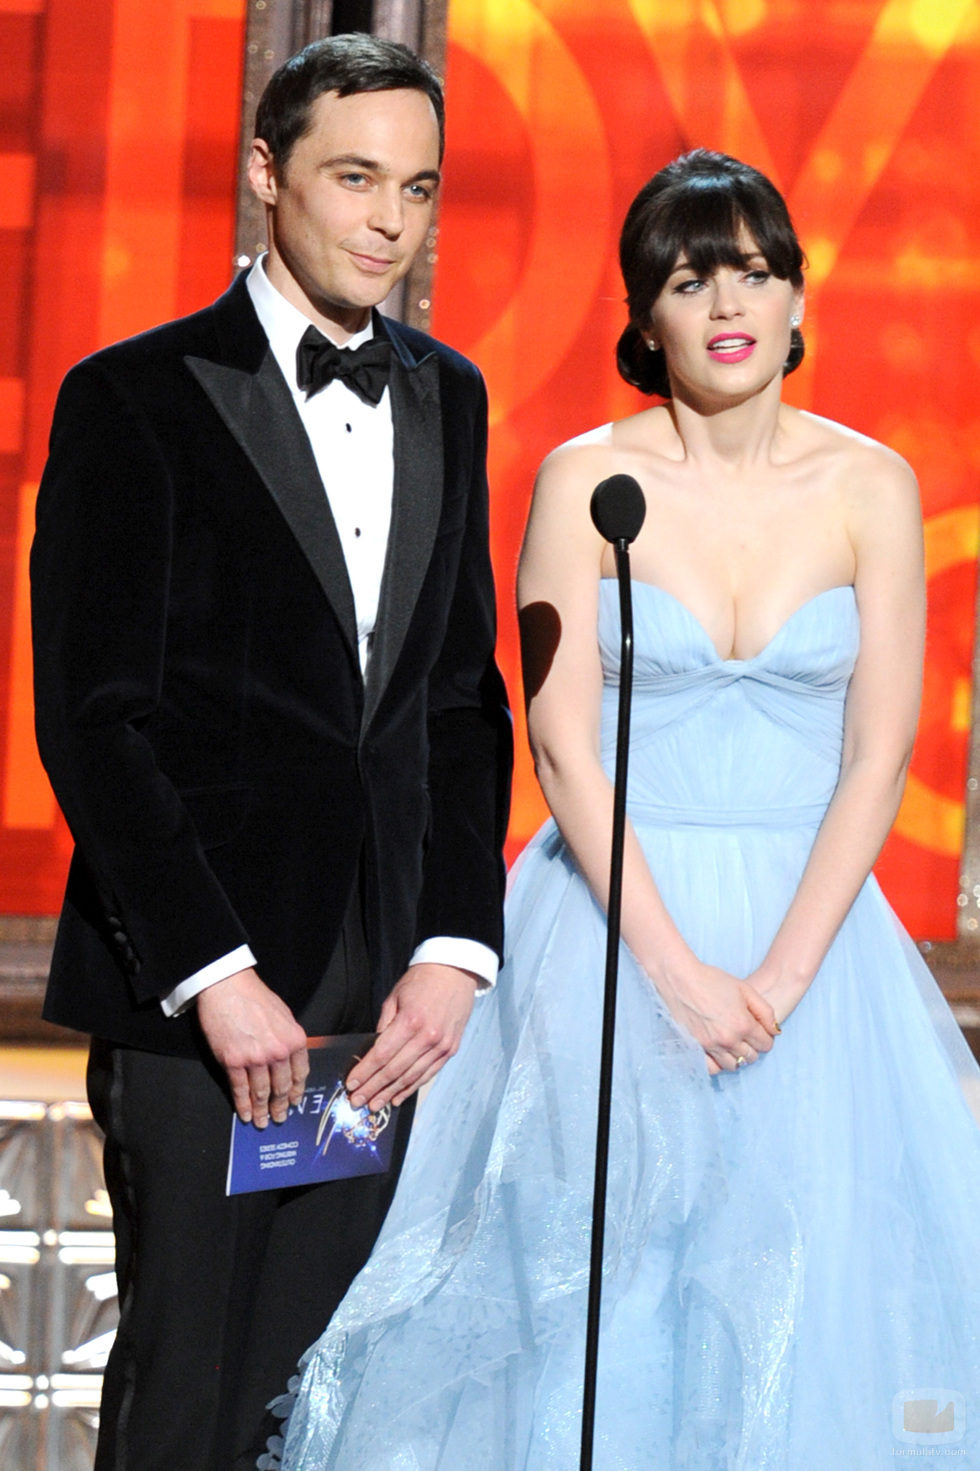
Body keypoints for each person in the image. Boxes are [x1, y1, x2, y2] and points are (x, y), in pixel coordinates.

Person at [266, 149, 980, 1470]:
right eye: (693, 276)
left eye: (757, 273)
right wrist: (680, 975)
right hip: (608, 931)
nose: (730, 302)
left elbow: (880, 753)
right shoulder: (584, 480)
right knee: (601, 1290)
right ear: (645, 315)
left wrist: (773, 979)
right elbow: (559, 738)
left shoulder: (871, 484)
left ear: (798, 299)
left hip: (812, 946)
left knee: (806, 1297)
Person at [30, 33, 511, 1471]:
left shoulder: (451, 394)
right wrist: (215, 977)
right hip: (201, 1002)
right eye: (355, 178)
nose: (388, 221)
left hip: (374, 1007)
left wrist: (454, 946)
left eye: (417, 190)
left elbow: (459, 700)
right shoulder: (134, 396)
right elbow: (93, 720)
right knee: (183, 1398)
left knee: (312, 1407)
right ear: (265, 174)